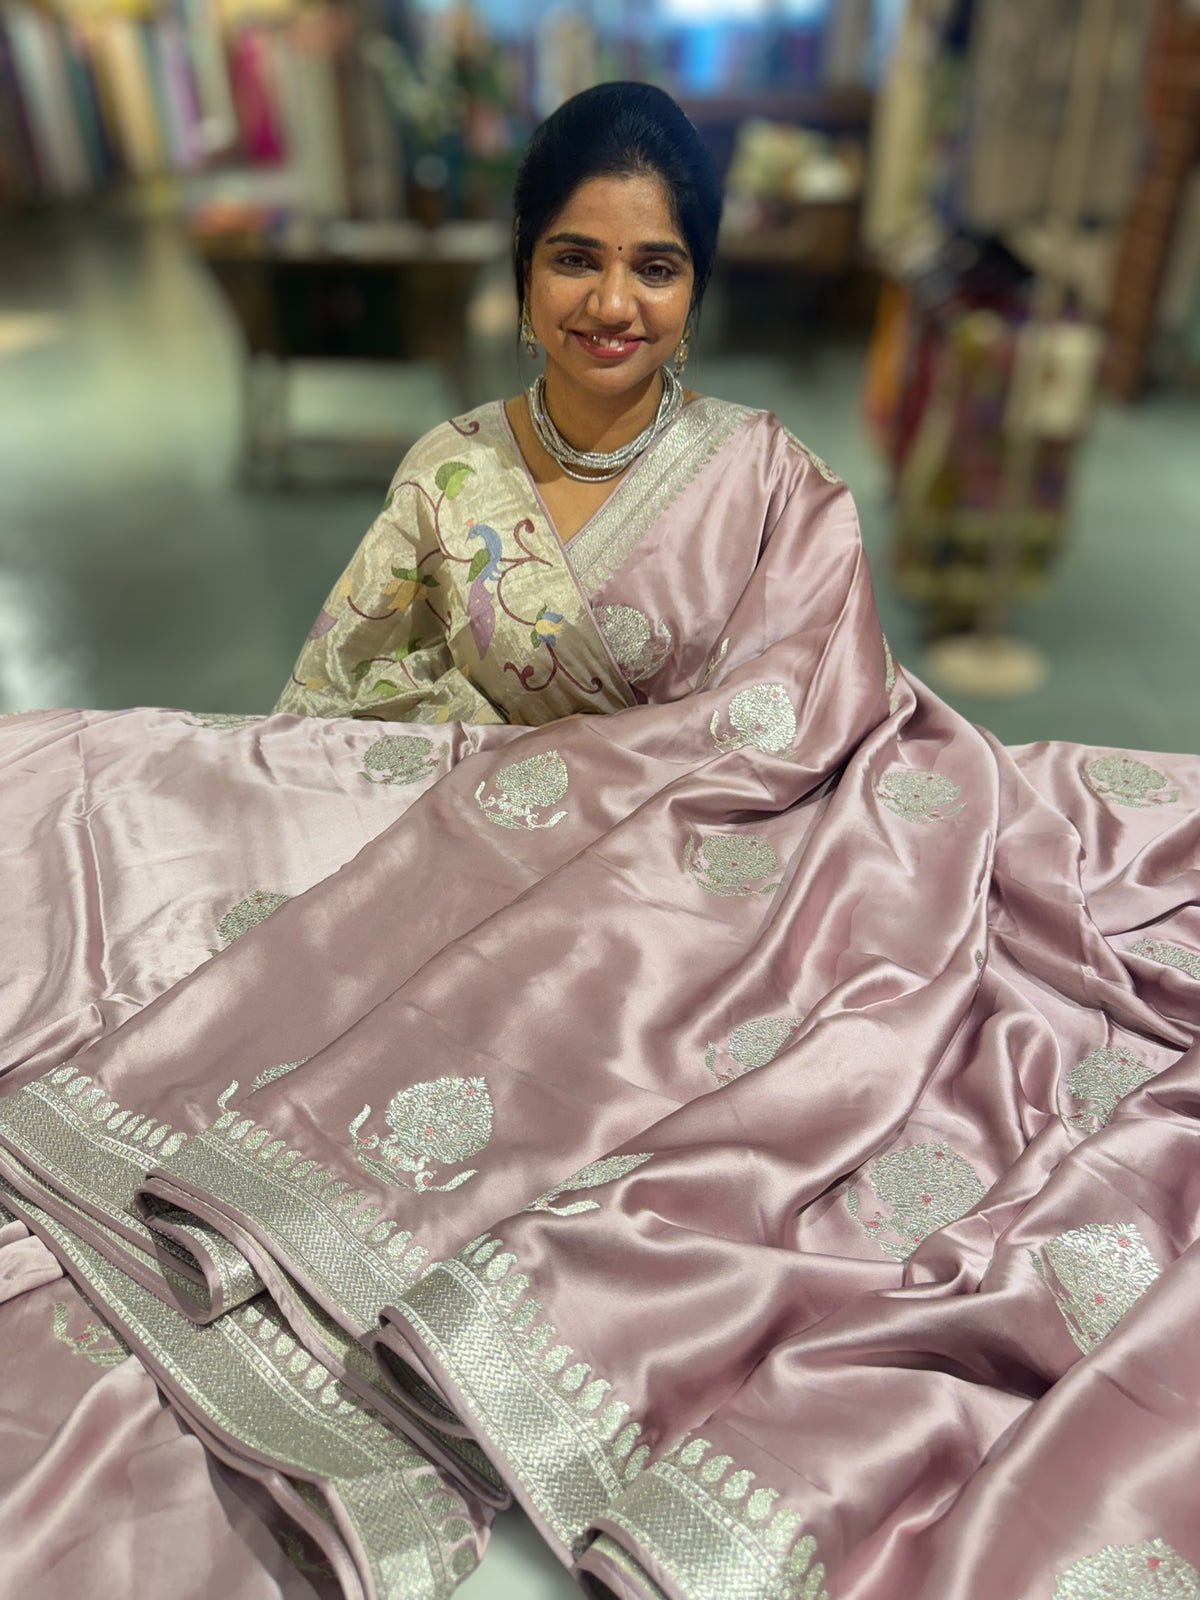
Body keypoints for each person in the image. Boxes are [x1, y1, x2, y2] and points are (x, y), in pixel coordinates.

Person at [1, 80, 1199, 1600]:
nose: (612, 302)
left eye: (655, 265)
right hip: (477, 876)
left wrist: (620, 804)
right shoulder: (448, 473)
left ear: (696, 284)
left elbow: (813, 721)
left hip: (704, 907)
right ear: (520, 275)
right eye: (576, 258)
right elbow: (330, 719)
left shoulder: (768, 482)